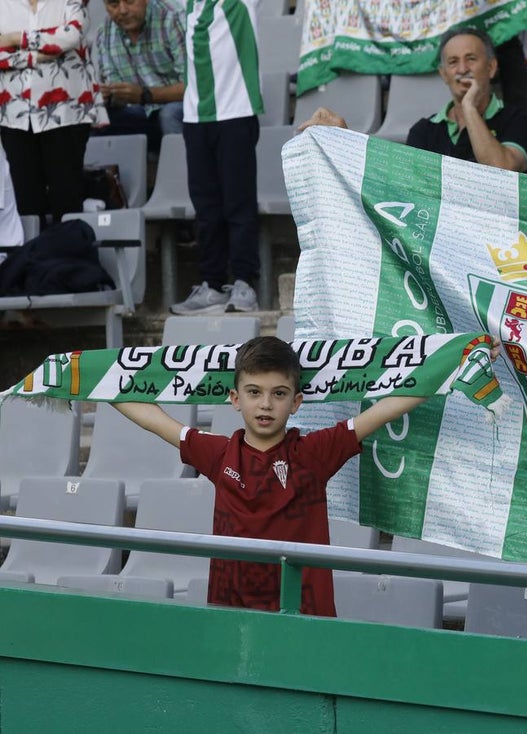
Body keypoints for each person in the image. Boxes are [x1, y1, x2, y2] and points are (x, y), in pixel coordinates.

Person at [111, 337, 429, 615]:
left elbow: (387, 409)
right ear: (235, 399)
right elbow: (152, 419)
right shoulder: (218, 454)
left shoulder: (314, 454)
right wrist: (86, 379)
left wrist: (450, 365)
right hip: (232, 615)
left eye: (279, 394)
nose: (266, 404)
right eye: (254, 392)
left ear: (296, 402)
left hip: (303, 617)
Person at [299, 27, 527, 174]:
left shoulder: (519, 119)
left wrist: (469, 109)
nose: (462, 69)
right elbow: (402, 188)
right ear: (443, 74)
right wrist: (344, 138)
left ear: (492, 67)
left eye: (471, 59)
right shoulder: (424, 131)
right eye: (453, 62)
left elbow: (501, 169)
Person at [170, 0, 263, 315]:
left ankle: (245, 282)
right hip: (195, 118)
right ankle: (211, 284)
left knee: (239, 204)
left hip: (236, 114)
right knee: (206, 208)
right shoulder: (189, 5)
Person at [0, 0, 105, 225]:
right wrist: (33, 56)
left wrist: (14, 39)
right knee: (26, 200)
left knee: (66, 195)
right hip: (15, 114)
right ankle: (31, 258)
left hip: (66, 110)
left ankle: (67, 257)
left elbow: (71, 35)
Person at [92, 0, 186, 154]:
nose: (122, 10)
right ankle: (108, 177)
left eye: (129, 1)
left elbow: (196, 87)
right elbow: (116, 92)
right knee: (97, 119)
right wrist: (108, 96)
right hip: (141, 111)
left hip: (182, 109)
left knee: (169, 114)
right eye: (113, 4)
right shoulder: (105, 32)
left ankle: (182, 173)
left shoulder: (172, 18)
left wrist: (146, 95)